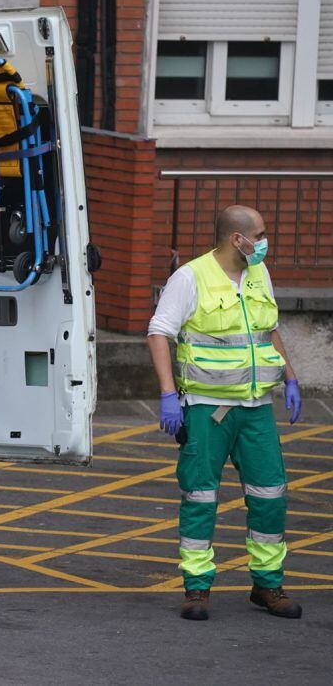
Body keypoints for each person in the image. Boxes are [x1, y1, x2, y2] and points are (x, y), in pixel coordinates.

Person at [147, 206, 304, 621]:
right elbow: (159, 332)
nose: (265, 242)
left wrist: (290, 377)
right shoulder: (191, 277)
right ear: (238, 239)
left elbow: (268, 330)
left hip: (256, 408)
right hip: (207, 408)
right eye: (261, 235)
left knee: (270, 496)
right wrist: (168, 394)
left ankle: (267, 585)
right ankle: (197, 589)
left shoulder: (258, 273)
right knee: (200, 497)